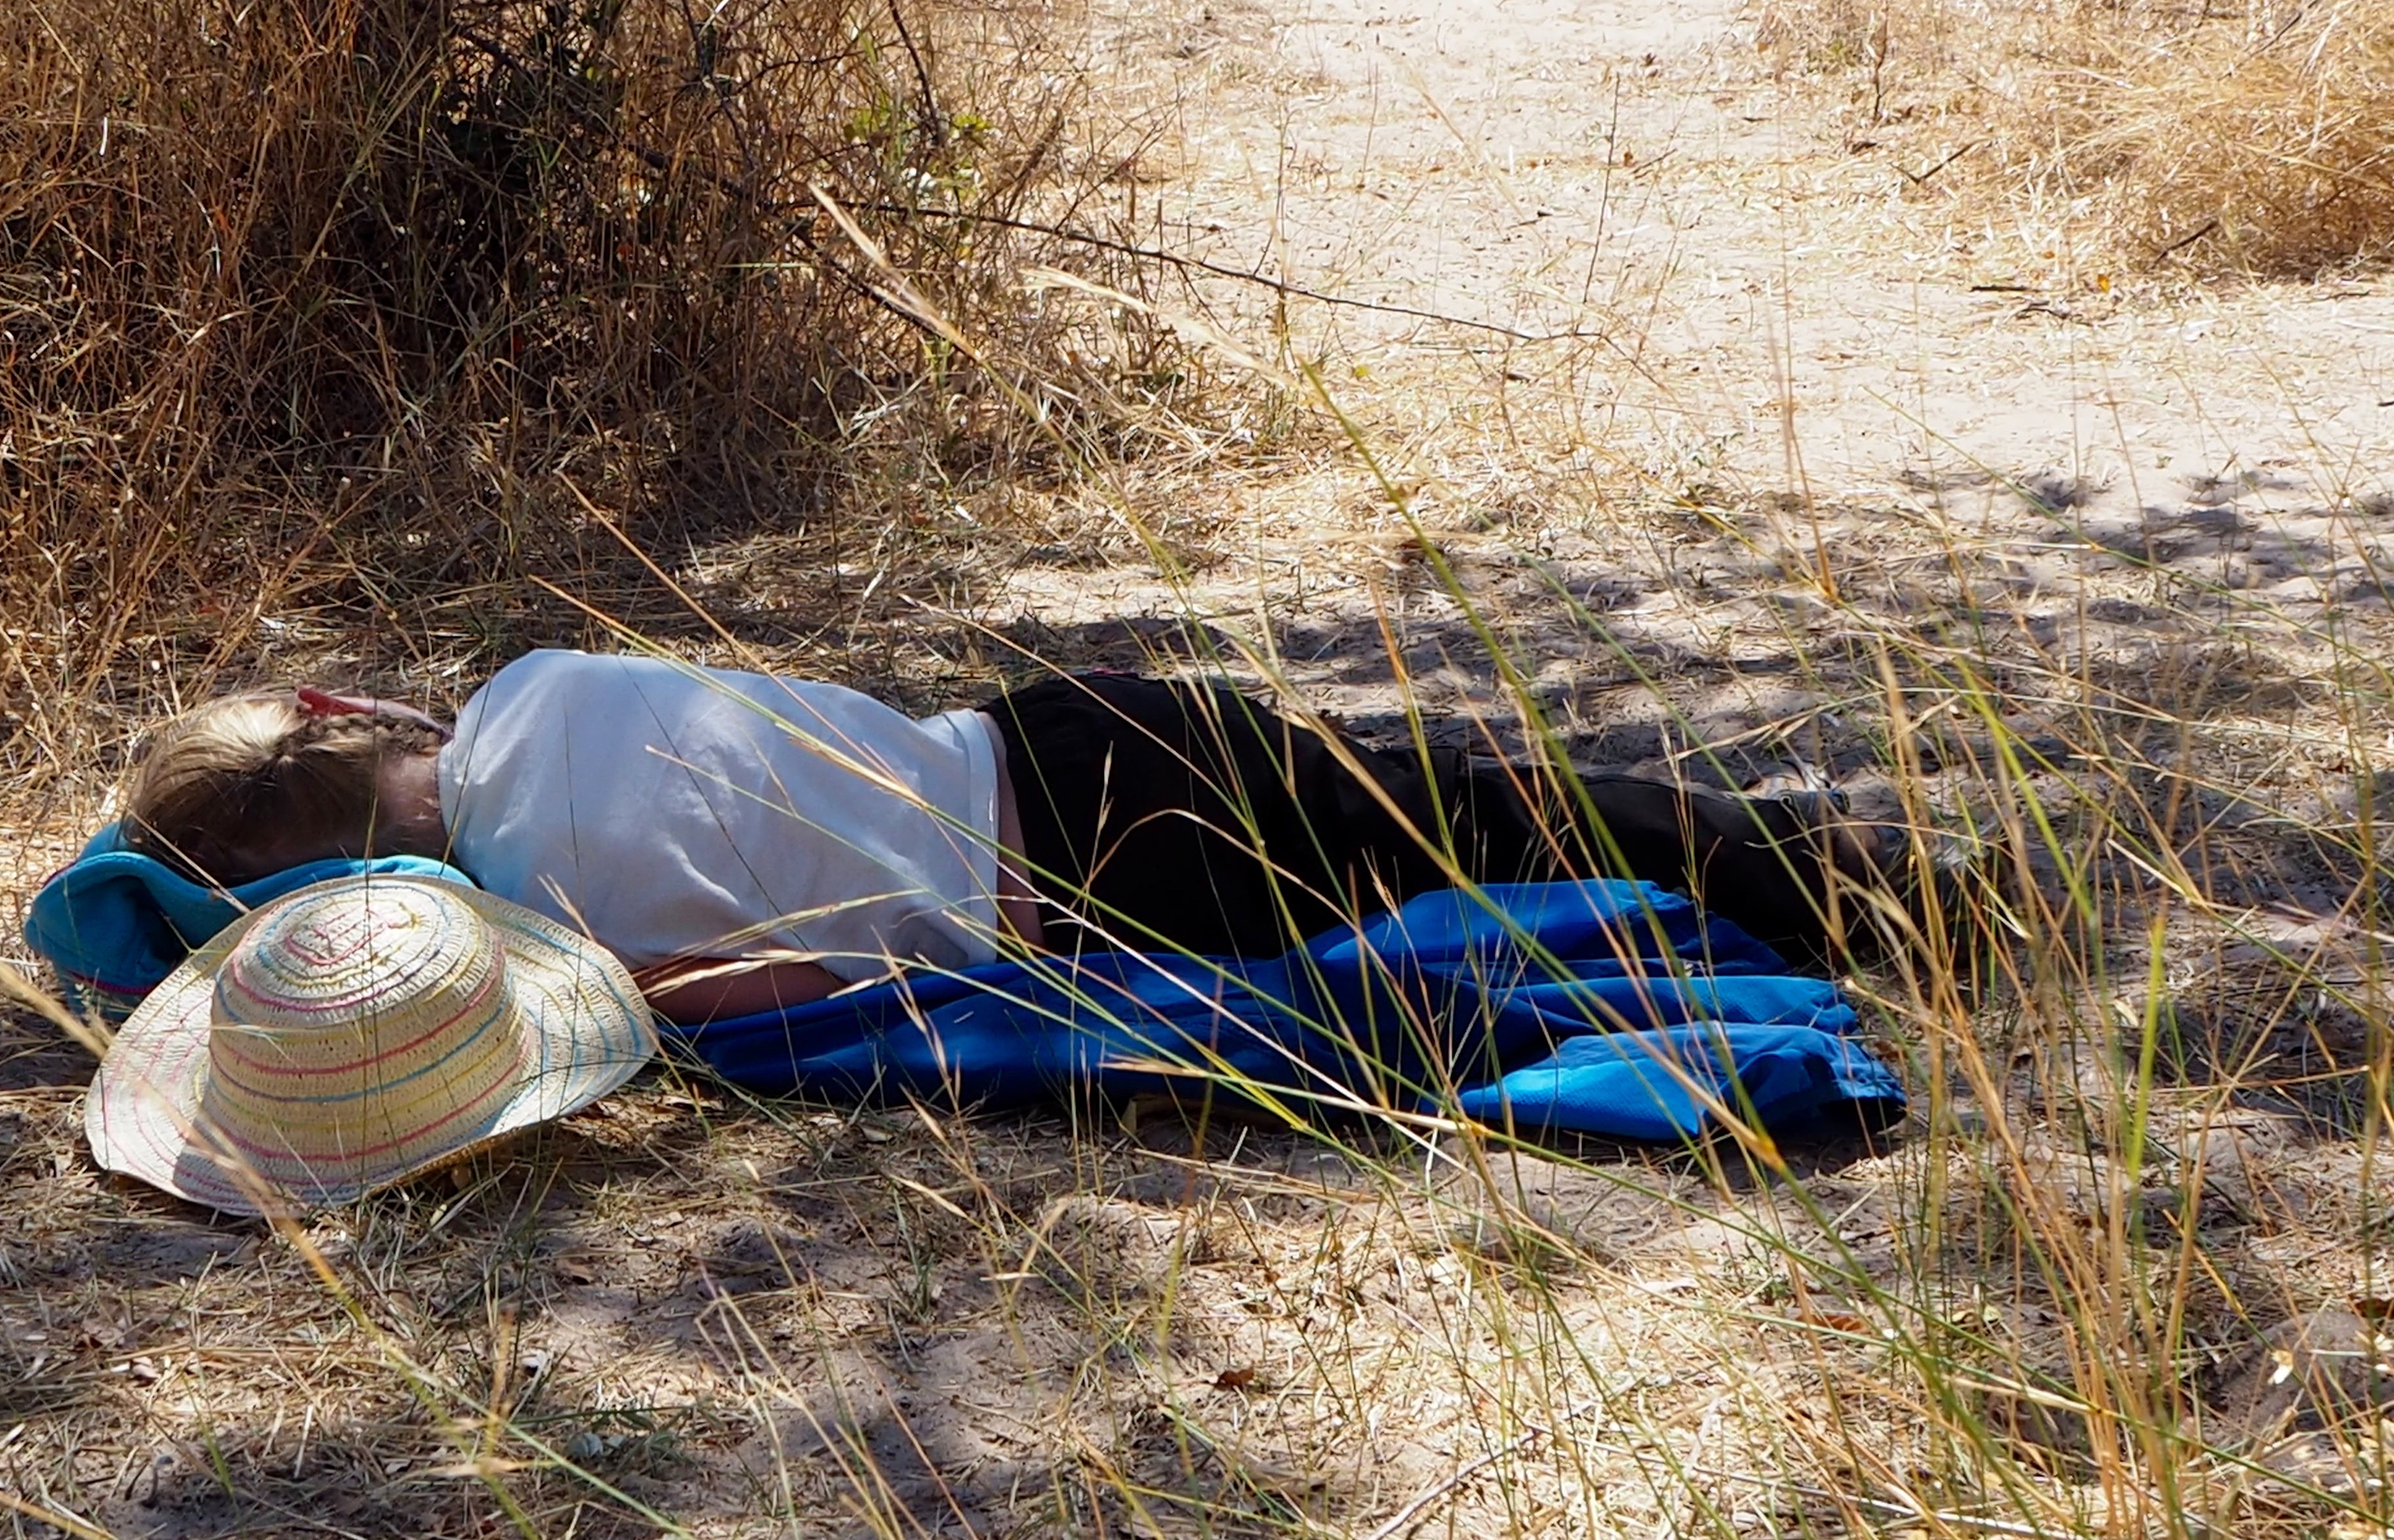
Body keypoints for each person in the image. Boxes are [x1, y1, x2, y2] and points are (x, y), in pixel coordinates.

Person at [116, 651, 1925, 1022]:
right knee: (1476, 798)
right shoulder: (533, 684)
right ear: (345, 719)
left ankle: (1883, 906)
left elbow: (809, 979)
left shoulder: (546, 936)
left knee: (1480, 870)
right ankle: (1868, 873)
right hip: (1053, 723)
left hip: (1092, 888)